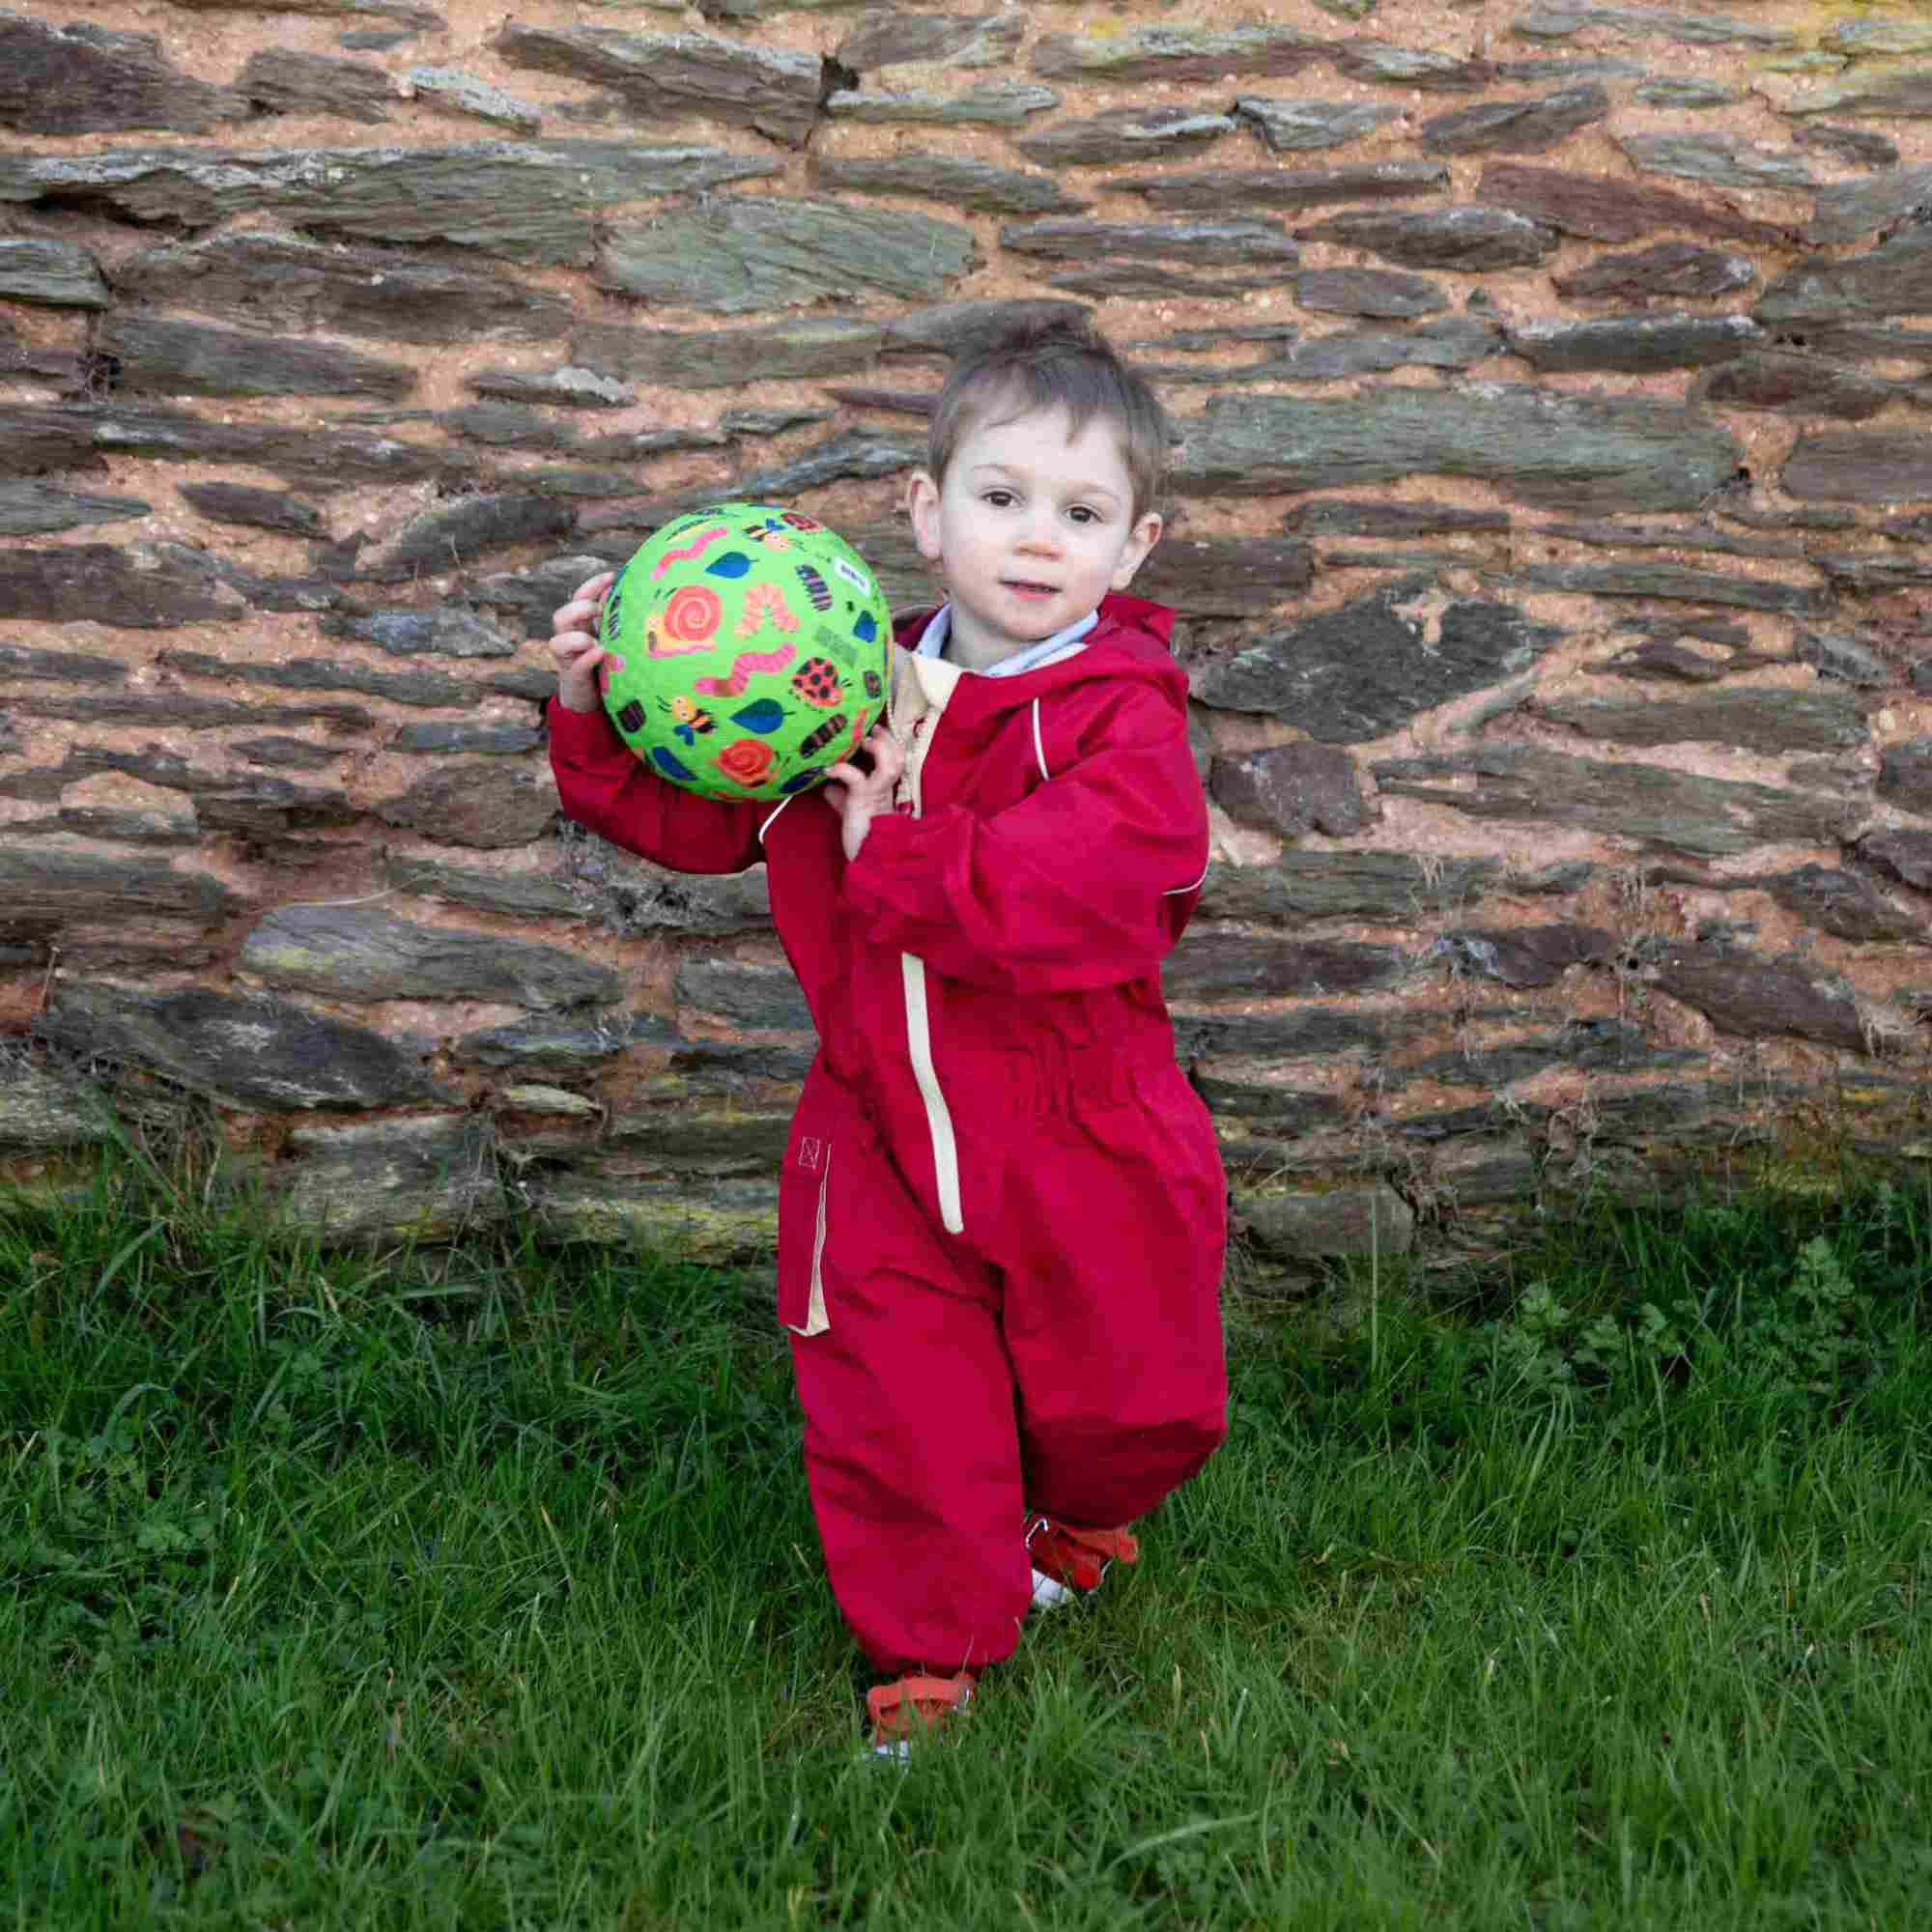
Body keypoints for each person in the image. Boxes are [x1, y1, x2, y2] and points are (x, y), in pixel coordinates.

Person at [547, 317, 1229, 1755]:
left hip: (1077, 1124)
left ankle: (1083, 1508)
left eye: (1082, 512)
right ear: (927, 513)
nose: (1037, 538)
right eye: (1002, 497)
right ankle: (927, 1655)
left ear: (1136, 546)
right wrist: (598, 712)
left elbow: (1095, 894)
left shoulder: (1121, 723)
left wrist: (901, 854)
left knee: (1135, 1394)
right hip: (875, 1131)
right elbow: (707, 821)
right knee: (893, 1401)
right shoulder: (831, 683)